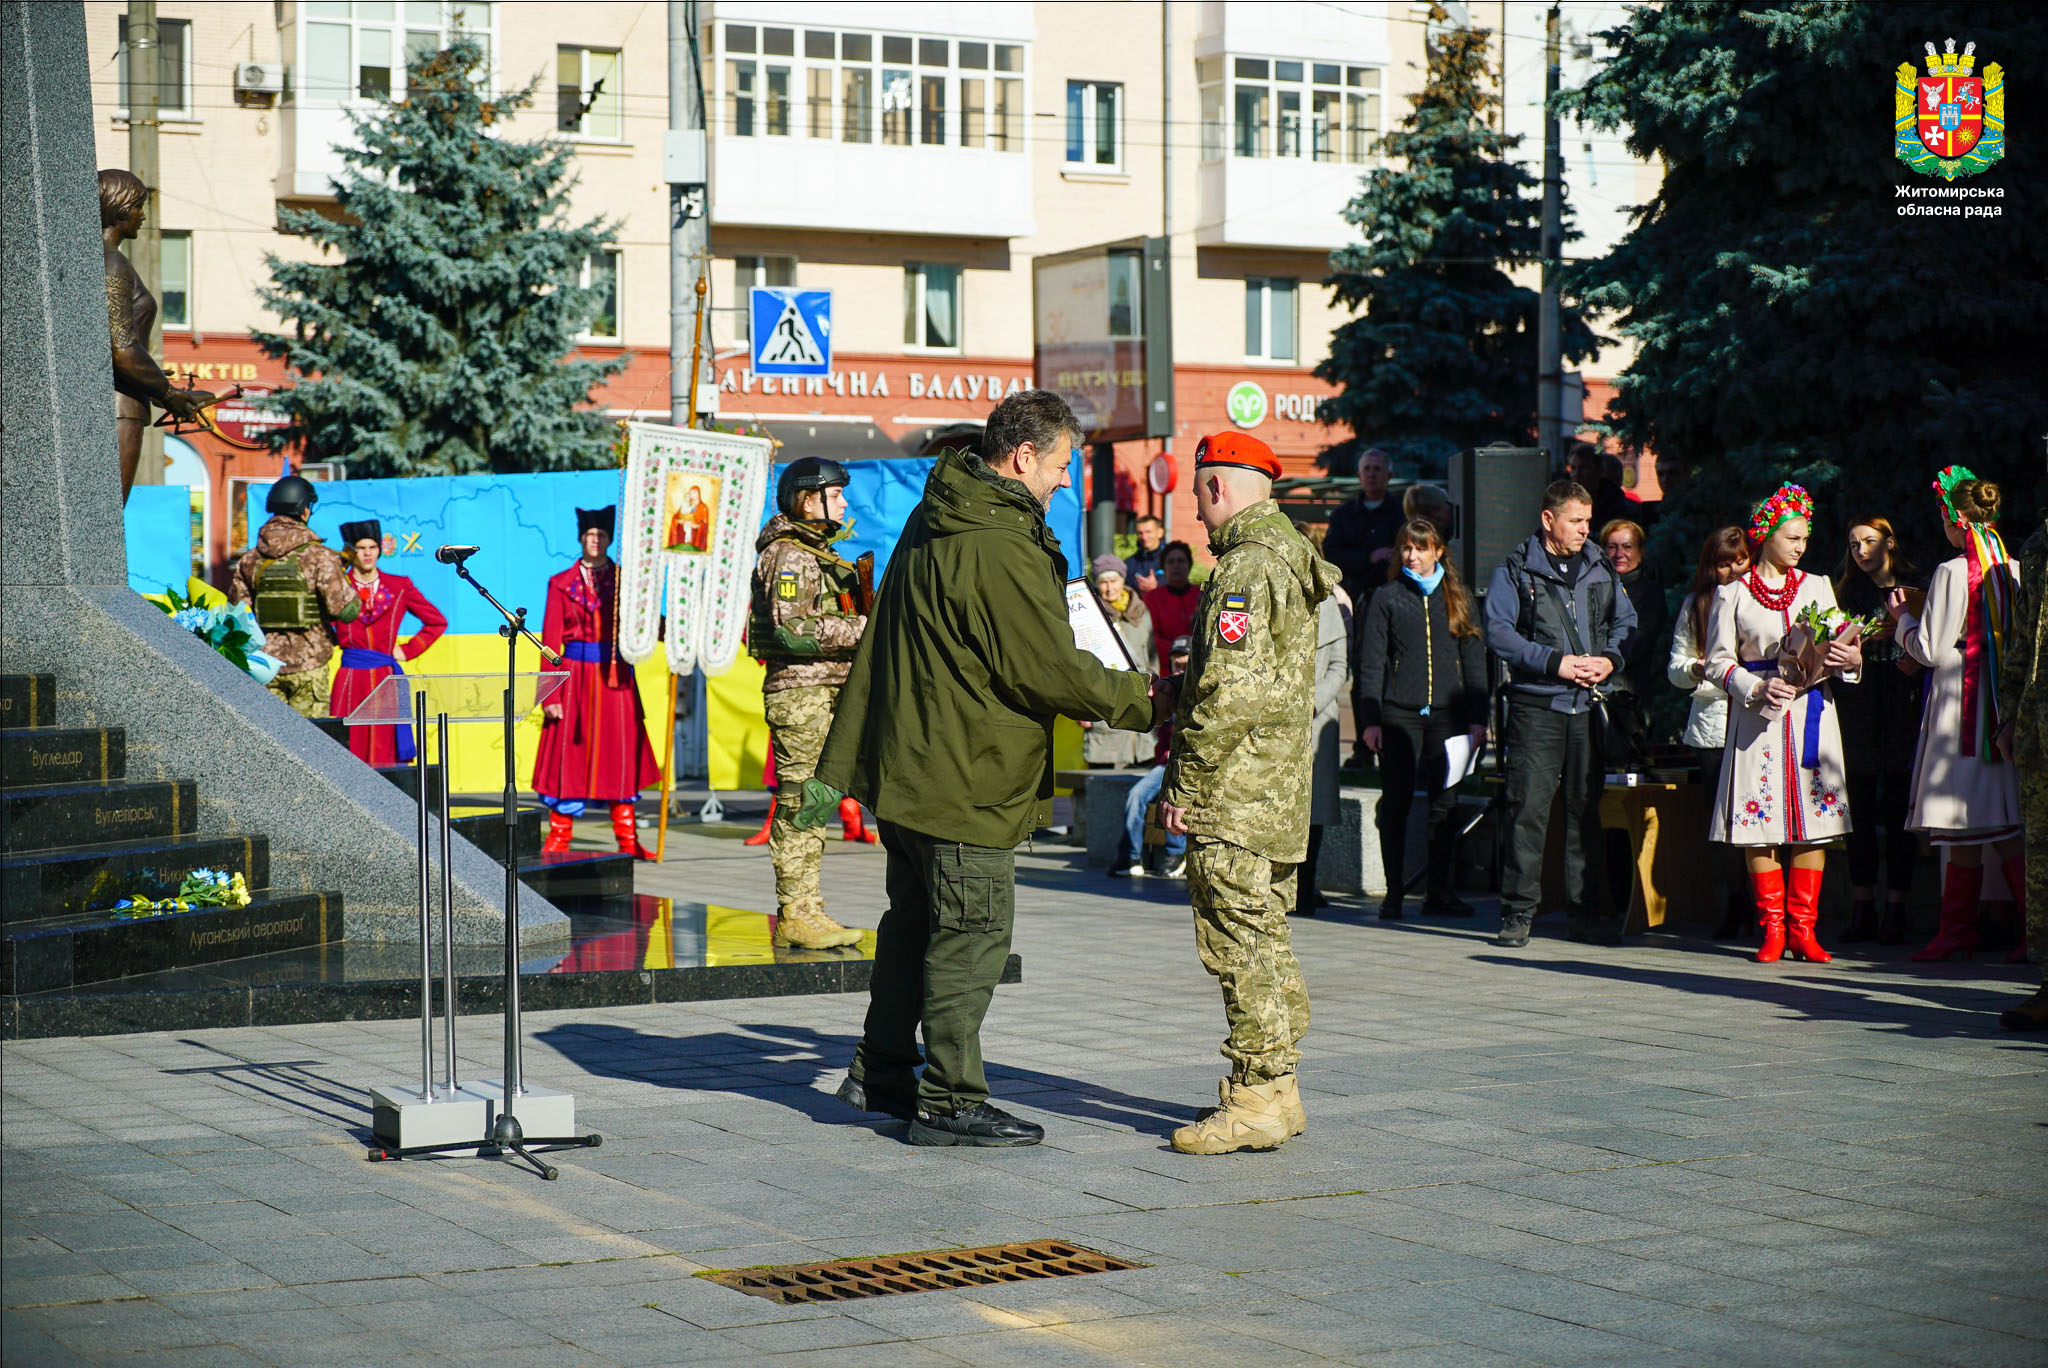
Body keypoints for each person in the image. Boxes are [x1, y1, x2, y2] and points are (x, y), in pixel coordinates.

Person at [807, 390, 1168, 1147]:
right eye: (1062, 465)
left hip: (911, 764)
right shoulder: (996, 538)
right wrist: (1141, 699)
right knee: (972, 933)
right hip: (963, 769)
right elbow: (1041, 665)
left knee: (913, 927)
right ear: (1023, 456)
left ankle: (882, 1070)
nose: (1066, 482)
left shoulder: (940, 510)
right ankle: (948, 1101)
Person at [1159, 432, 1338, 1156]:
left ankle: (1258, 1099)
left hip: (1234, 794)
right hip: (1274, 790)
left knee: (1238, 945)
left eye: (1199, 498)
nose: (1198, 518)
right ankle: (1279, 1090)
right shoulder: (1288, 560)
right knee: (1264, 939)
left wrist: (1184, 783)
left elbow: (1230, 694)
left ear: (1216, 488)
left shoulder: (1246, 567)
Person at [1705, 484, 1861, 965]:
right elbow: (1716, 662)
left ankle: (1804, 928)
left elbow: (1840, 648)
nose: (1800, 546)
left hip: (1812, 712)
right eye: (1792, 537)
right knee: (1760, 823)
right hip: (1759, 719)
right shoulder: (1732, 592)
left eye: (1805, 539)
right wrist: (1752, 686)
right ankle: (1772, 927)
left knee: (1815, 822)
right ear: (1765, 535)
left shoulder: (1817, 586)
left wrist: (1850, 656)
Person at [1484, 479, 1638, 948]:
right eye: (1576, 520)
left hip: (1587, 707)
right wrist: (1557, 663)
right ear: (1548, 519)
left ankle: (1586, 912)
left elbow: (1626, 623)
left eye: (1588, 520)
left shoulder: (1599, 565)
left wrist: (1610, 659)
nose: (1585, 530)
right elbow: (1498, 631)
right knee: (1527, 810)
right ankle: (1517, 913)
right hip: (1537, 706)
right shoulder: (1514, 569)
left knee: (1584, 811)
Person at [1889, 470, 2025, 963]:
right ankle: (1986, 929)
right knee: (1990, 817)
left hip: (1961, 707)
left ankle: (1960, 930)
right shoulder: (2011, 567)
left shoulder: (1951, 570)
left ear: (1957, 519)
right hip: (1998, 708)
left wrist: (1902, 618)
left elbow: (1927, 648)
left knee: (1973, 815)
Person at [747, 458, 871, 950]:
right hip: (803, 695)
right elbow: (793, 631)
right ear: (807, 498)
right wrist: (866, 629)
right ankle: (797, 914)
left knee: (816, 799)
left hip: (823, 691)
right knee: (803, 801)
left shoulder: (812, 552)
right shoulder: (790, 556)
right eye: (836, 494)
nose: (844, 503)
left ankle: (808, 908)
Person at [1356, 518, 1491, 920]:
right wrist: (1371, 719)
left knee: (1444, 805)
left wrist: (1478, 718)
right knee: (1395, 803)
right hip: (1400, 714)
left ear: (1438, 552)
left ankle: (1439, 890)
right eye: (1405, 548)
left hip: (1448, 716)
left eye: (1420, 548)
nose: (1411, 555)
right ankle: (1394, 892)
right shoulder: (1387, 597)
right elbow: (1371, 664)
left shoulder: (1458, 596)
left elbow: (1474, 661)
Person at [533, 507, 661, 862]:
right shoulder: (560, 583)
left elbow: (647, 625)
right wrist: (549, 694)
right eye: (590, 535)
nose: (595, 540)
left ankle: (627, 839)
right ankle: (559, 836)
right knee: (568, 756)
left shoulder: (625, 581)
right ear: (581, 538)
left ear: (609, 539)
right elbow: (549, 642)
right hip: (573, 677)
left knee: (618, 754)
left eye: (602, 535)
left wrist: (677, 636)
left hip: (614, 677)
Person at [1833, 516, 1924, 945]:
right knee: (1862, 810)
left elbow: (1935, 644)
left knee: (1899, 810)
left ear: (1889, 541)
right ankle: (1862, 905)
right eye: (1853, 545)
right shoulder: (1847, 592)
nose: (1860, 551)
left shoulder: (1913, 587)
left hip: (1903, 704)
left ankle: (1897, 908)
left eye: (1868, 542)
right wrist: (1861, 643)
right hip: (1860, 706)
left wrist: (1910, 648)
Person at [100, 169, 213, 502]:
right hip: (120, 406)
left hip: (115, 399)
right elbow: (121, 349)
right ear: (120, 208)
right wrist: (170, 393)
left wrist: (159, 387)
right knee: (107, 515)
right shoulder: (113, 264)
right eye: (138, 206)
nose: (142, 215)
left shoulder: (94, 261)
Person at [1667, 526, 1756, 940]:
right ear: (1711, 567)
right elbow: (1675, 667)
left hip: (1756, 721)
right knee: (1722, 824)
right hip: (1713, 725)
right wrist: (1696, 670)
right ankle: (1735, 902)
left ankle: (1762, 904)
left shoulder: (1762, 597)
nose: (1734, 570)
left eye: (1740, 561)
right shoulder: (1696, 604)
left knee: (1757, 815)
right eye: (1724, 563)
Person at [229, 476, 361, 718]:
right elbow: (346, 610)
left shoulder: (250, 559)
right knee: (311, 748)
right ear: (303, 510)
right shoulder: (319, 556)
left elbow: (238, 615)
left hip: (265, 668)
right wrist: (347, 580)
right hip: (309, 667)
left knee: (269, 745)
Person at [329, 520, 447, 767]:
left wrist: (408, 650)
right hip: (351, 678)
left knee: (386, 747)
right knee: (347, 745)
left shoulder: (399, 586)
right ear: (351, 551)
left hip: (386, 677)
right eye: (361, 548)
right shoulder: (337, 586)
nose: (368, 553)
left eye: (372, 547)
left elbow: (437, 621)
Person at [1996, 491, 2046, 1029]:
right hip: (2038, 729)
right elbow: (2022, 640)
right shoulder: (2037, 547)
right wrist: (2010, 714)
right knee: (2042, 860)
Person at [1109, 634, 1194, 879]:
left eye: (1185, 666)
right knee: (1136, 795)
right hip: (1165, 763)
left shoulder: (1196, 689)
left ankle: (1175, 854)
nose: (1180, 670)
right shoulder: (1168, 689)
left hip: (1191, 763)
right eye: (1176, 665)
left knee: (1175, 796)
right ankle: (1131, 855)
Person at [1298, 539, 1351, 917]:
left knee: (1315, 808)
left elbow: (1339, 665)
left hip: (1319, 718)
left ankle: (1307, 884)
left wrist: (1313, 702)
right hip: (1280, 717)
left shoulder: (1328, 602)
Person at [1080, 556, 1158, 768]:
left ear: (1123, 580)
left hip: (1142, 706)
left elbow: (1151, 655)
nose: (1109, 587)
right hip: (1106, 705)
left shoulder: (1140, 611)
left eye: (1114, 581)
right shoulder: (1089, 615)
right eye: (1103, 582)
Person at [1600, 519, 1669, 703]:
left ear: (1641, 551)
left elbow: (1638, 641)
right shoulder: (1592, 588)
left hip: (1625, 692)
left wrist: (1603, 660)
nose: (1619, 554)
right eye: (1612, 547)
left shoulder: (1649, 593)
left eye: (1627, 547)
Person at [1141, 540, 1201, 669]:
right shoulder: (1151, 598)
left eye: (1181, 561)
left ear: (1189, 565)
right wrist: (1178, 650)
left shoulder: (1201, 594)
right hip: (1166, 666)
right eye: (1171, 562)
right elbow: (1151, 635)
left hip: (1197, 662)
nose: (1176, 566)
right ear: (1163, 567)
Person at [1568, 442, 1631, 540]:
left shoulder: (1614, 502)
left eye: (1583, 468)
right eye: (1573, 468)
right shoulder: (1565, 501)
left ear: (1598, 470)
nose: (1576, 474)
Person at [1125, 514, 1168, 591]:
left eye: (1148, 532)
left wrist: (1156, 587)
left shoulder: (1172, 560)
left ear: (1160, 532)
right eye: (1140, 533)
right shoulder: (1129, 563)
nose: (1144, 537)